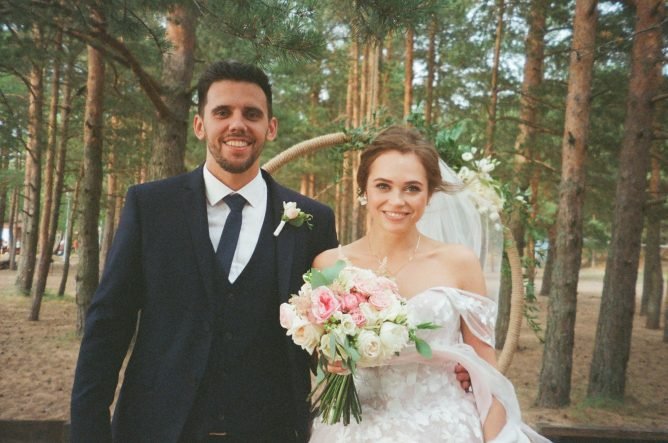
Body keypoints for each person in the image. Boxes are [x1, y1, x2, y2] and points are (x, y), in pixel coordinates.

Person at [70, 60, 340, 442]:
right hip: (157, 429)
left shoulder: (313, 220)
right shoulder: (150, 207)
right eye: (222, 112)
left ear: (271, 127)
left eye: (252, 113)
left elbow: (336, 332)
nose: (237, 124)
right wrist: (88, 432)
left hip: (273, 431)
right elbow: (108, 326)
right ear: (200, 125)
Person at [309, 126, 550, 443]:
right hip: (357, 425)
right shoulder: (329, 265)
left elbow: (489, 375)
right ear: (363, 189)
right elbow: (322, 360)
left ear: (430, 194)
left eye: (412, 188)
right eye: (383, 186)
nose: (397, 200)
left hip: (445, 426)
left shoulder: (459, 262)